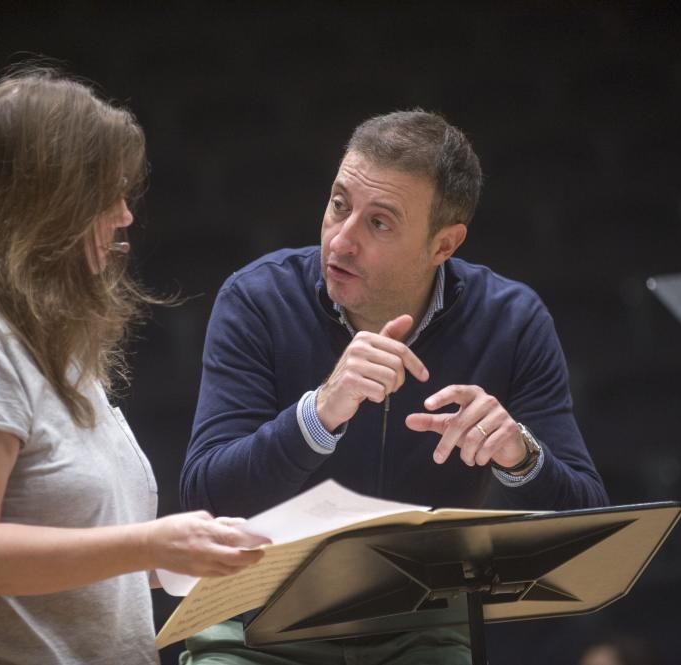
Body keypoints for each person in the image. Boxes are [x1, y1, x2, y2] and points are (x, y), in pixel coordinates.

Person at [0, 66, 267, 665]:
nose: (125, 215)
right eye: (106, 195)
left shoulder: (36, 334)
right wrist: (150, 543)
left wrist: (178, 557)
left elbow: (70, 550)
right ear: (47, 202)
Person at [178, 110, 609, 663]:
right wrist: (317, 416)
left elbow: (586, 522)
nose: (342, 240)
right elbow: (205, 497)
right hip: (253, 619)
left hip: (419, 626)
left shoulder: (513, 321)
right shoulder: (257, 299)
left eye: (378, 223)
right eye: (339, 205)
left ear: (444, 246)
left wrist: (518, 454)